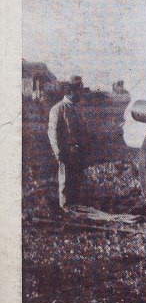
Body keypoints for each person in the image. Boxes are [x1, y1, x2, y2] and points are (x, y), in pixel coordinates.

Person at [47, 76, 86, 213]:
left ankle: (75, 207)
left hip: (78, 151)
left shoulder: (78, 108)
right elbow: (53, 133)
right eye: (79, 91)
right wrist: (58, 152)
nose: (81, 94)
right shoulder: (58, 109)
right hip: (66, 152)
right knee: (65, 181)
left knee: (76, 181)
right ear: (71, 91)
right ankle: (65, 208)